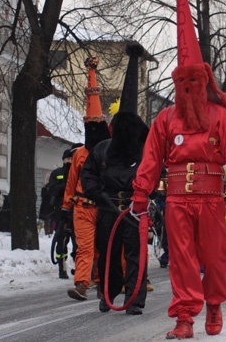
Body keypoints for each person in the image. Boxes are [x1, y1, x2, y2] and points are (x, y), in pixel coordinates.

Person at [131, 0, 226, 338]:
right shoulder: (165, 119)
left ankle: (213, 305)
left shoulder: (220, 117)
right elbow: (151, 157)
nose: (188, 88)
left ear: (204, 81)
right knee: (181, 262)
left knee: (215, 259)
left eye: (194, 82)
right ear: (177, 84)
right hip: (178, 199)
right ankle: (184, 318)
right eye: (182, 83)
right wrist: (141, 190)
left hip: (213, 199)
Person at [82, 42, 150, 315]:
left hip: (135, 208)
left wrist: (147, 196)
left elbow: (157, 173)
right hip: (108, 206)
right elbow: (88, 172)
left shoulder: (145, 152)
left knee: (136, 255)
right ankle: (109, 292)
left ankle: (134, 297)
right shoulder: (102, 149)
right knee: (108, 252)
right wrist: (96, 193)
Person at [64, 56, 111, 301]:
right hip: (82, 207)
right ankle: (81, 283)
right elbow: (72, 182)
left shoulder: (110, 152)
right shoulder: (79, 154)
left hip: (104, 207)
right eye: (89, 128)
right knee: (84, 248)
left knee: (103, 249)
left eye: (96, 128)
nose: (92, 132)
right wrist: (65, 206)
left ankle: (105, 283)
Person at [49, 145, 82, 279]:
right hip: (61, 211)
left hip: (77, 211)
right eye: (67, 158)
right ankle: (61, 267)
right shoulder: (57, 173)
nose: (69, 161)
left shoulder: (80, 173)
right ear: (63, 159)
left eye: (71, 158)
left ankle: (79, 268)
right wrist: (66, 186)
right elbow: (52, 189)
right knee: (61, 240)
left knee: (78, 241)